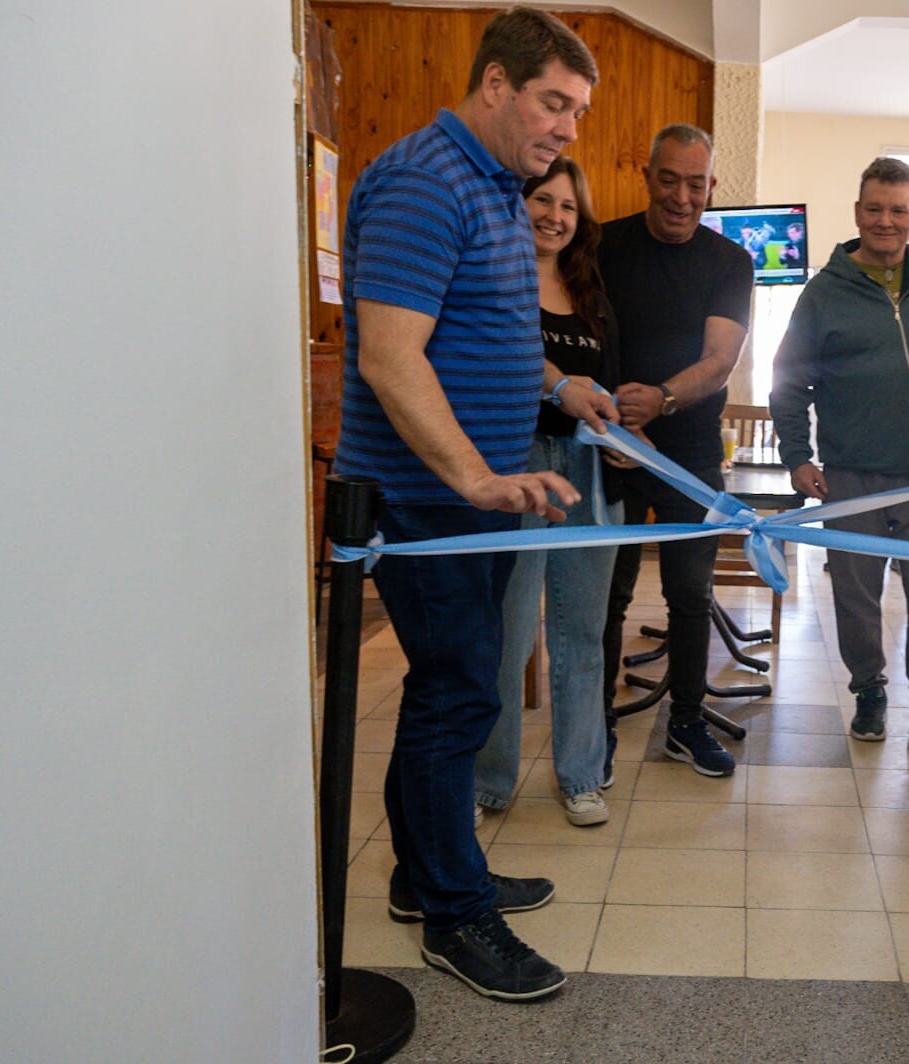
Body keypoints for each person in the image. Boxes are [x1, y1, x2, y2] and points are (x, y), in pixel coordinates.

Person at [335, 8, 613, 1002]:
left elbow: (489, 330)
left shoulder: (497, 187)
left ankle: (424, 873)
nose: (567, 129)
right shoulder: (425, 180)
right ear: (495, 83)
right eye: (553, 103)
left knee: (449, 689)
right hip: (428, 500)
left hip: (475, 497)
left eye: (578, 113)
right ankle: (455, 914)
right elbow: (389, 355)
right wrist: (472, 477)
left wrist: (560, 388)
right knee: (460, 693)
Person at [770, 156, 909, 750]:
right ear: (858, 212)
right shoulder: (824, 292)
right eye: (875, 209)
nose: (886, 221)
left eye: (898, 210)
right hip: (851, 475)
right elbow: (789, 380)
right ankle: (868, 690)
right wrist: (797, 456)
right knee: (855, 597)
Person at [598, 124, 754, 779]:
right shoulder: (601, 246)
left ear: (711, 186)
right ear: (647, 176)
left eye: (695, 184)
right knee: (607, 597)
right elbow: (580, 340)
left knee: (690, 595)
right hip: (608, 446)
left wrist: (660, 401)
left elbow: (719, 361)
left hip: (689, 456)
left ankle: (686, 722)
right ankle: (595, 728)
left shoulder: (730, 262)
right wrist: (615, 422)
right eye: (669, 180)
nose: (681, 197)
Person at [472, 157, 621, 829]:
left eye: (568, 207)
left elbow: (607, 379)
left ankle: (582, 777)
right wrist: (558, 386)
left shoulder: (590, 292)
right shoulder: (494, 279)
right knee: (506, 633)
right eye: (543, 200)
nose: (555, 217)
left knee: (582, 632)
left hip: (586, 471)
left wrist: (617, 432)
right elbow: (494, 358)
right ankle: (488, 782)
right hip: (516, 464)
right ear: (518, 203)